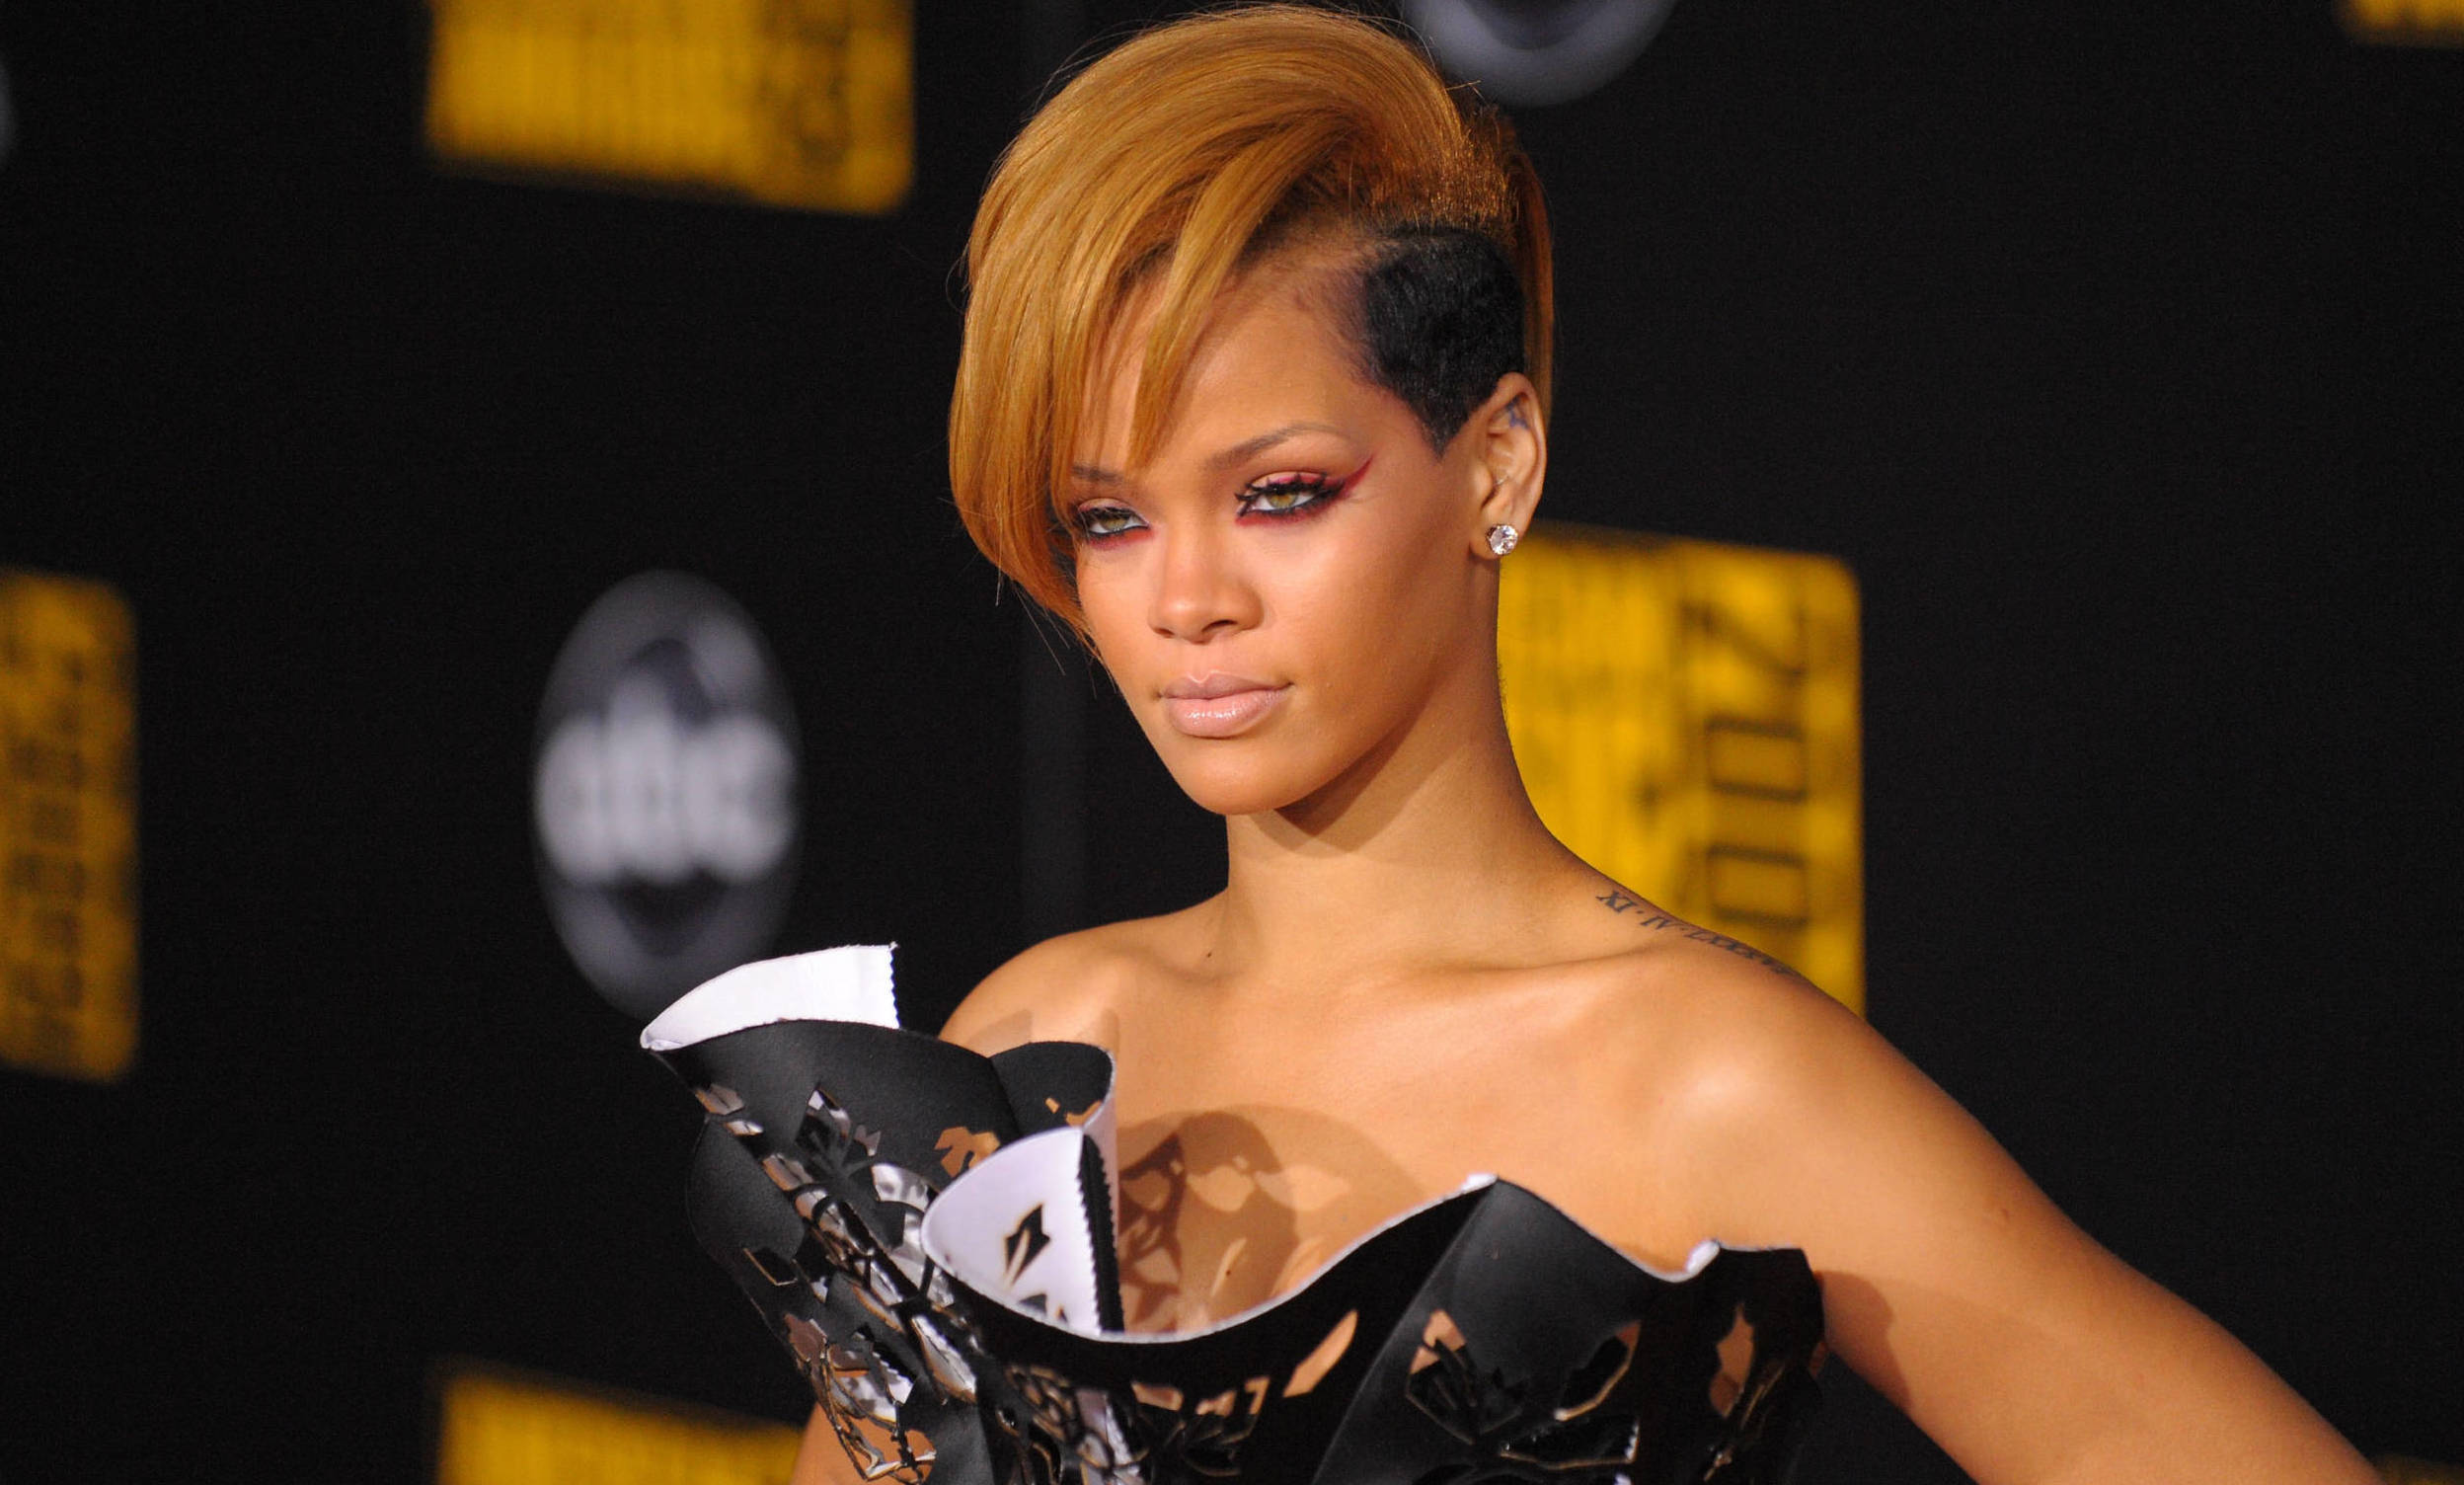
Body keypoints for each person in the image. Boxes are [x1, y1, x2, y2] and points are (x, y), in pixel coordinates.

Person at [785, 6, 2378, 1480]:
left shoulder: (1707, 1082)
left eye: (1280, 494)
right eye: (1109, 519)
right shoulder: (1042, 1047)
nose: (1186, 599)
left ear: (1497, 463)